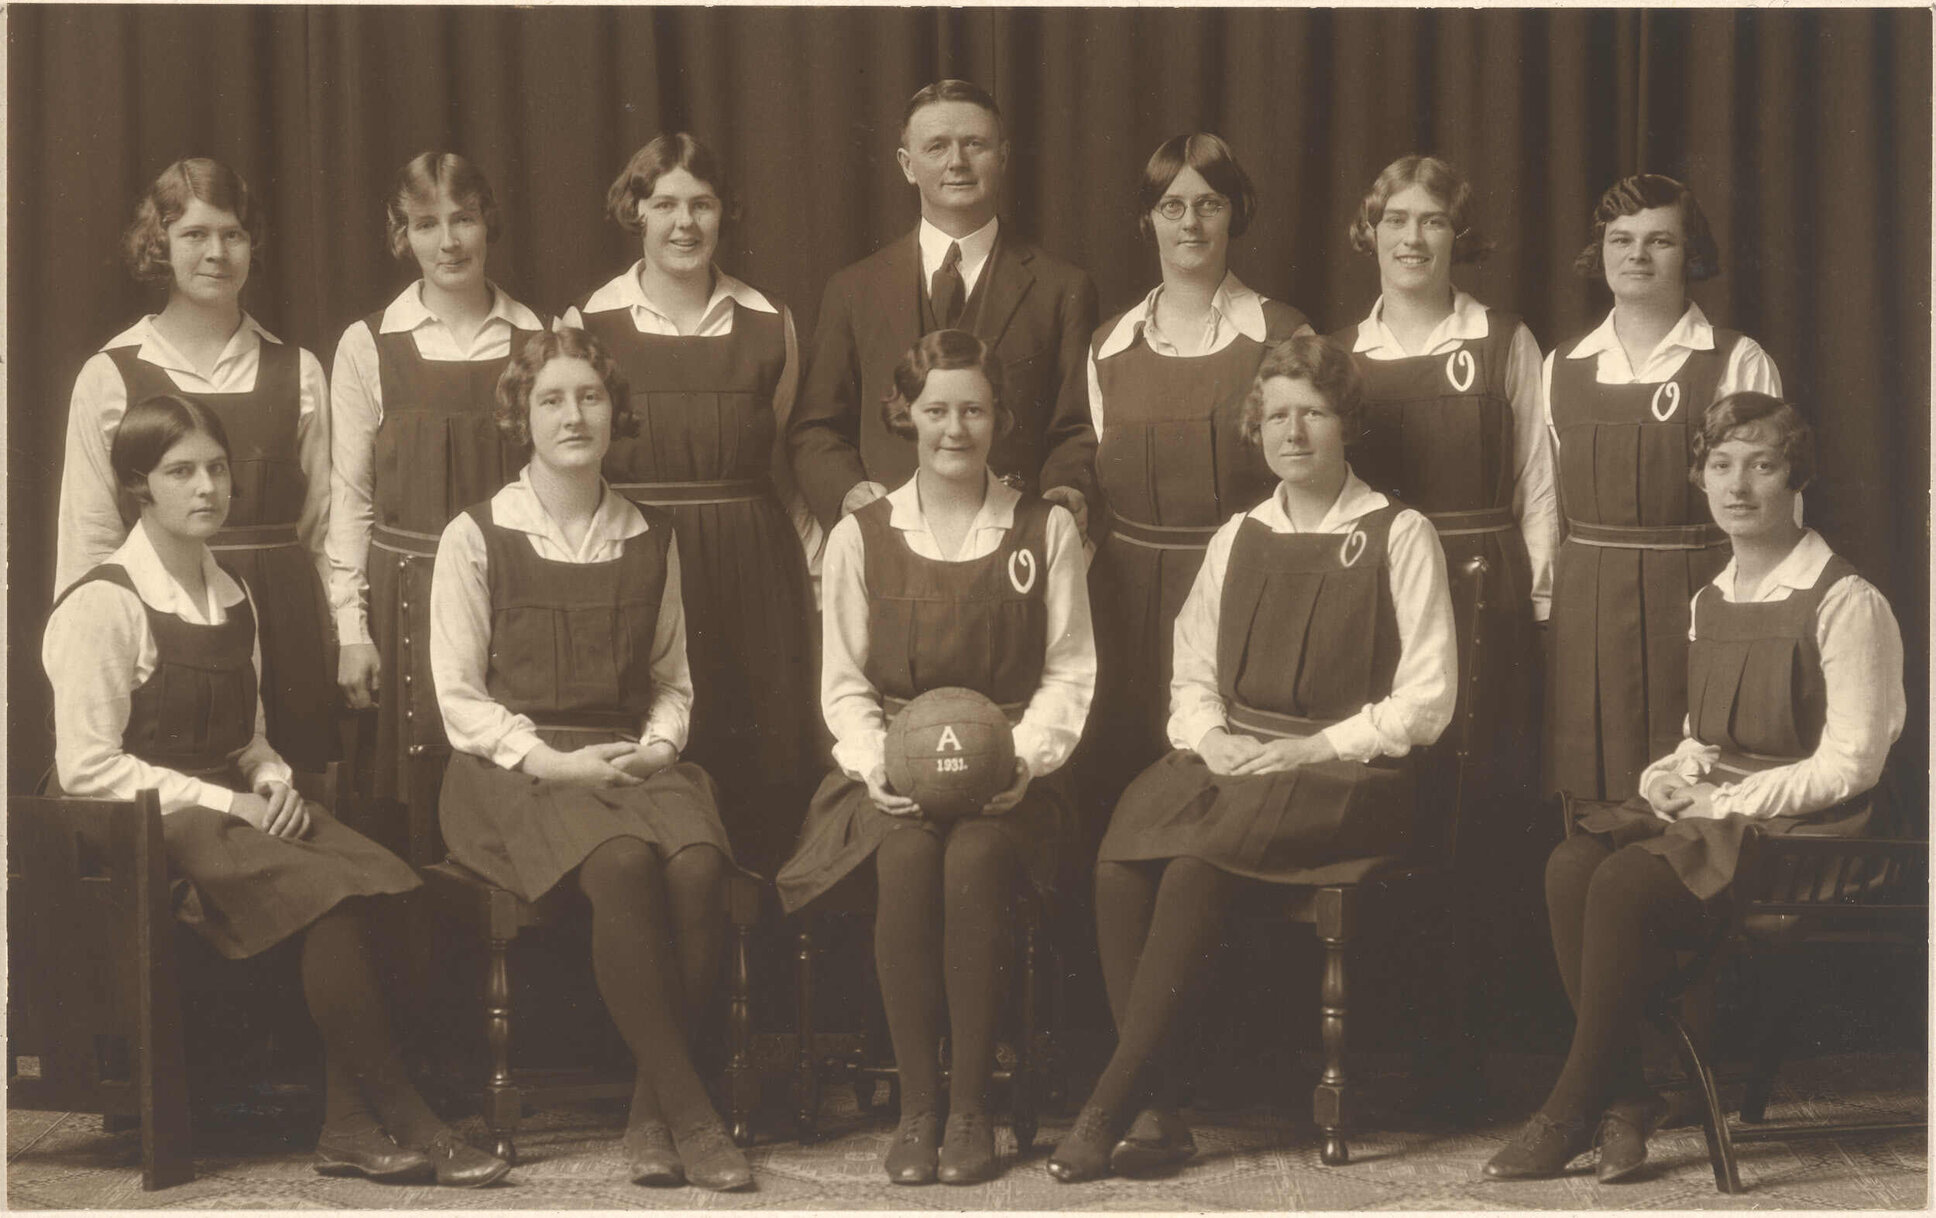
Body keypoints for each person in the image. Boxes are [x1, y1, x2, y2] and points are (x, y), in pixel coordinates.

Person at [43, 395, 509, 1188]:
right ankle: (407, 1119)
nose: (207, 487)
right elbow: (88, 768)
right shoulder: (104, 602)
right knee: (330, 895)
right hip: (138, 831)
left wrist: (272, 779)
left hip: (229, 810)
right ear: (138, 486)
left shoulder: (232, 594)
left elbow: (247, 739)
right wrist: (234, 804)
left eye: (217, 468)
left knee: (389, 879)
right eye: (180, 472)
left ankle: (348, 1126)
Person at [1051, 335, 1455, 1183]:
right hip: (1240, 760)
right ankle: (1159, 1113)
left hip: (1348, 774)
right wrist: (1212, 738)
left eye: (1313, 413)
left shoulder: (1399, 532)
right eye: (1276, 417)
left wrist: (1315, 747)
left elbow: (1427, 699)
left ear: (1347, 423)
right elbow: (1192, 671)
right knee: (1121, 857)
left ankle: (1111, 1105)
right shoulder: (1238, 536)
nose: (1293, 433)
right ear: (1257, 429)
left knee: (1197, 865)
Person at [1484, 391, 1903, 1183]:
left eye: (1763, 465)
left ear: (1796, 479)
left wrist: (1724, 802)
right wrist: (1671, 777)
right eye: (1721, 465)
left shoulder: (1847, 600)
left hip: (1816, 839)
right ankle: (1627, 1099)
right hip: (1729, 821)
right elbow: (1702, 738)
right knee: (1571, 862)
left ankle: (1573, 1109)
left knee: (1621, 881)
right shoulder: (1712, 597)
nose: (1738, 485)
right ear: (1701, 477)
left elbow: (1854, 763)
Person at [429, 328, 752, 1191]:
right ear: (521, 418)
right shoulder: (476, 534)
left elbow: (672, 681)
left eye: (590, 397)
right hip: (515, 769)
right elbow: (459, 698)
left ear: (615, 412)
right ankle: (694, 1118)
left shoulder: (651, 533)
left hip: (627, 758)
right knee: (621, 862)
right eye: (551, 400)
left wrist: (658, 749)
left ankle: (652, 1112)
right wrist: (551, 762)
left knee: (698, 864)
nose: (573, 416)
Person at [776, 330, 1095, 1187]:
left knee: (977, 858)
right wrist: (874, 763)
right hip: (895, 776)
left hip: (1012, 782)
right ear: (904, 415)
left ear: (1000, 417)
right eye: (937, 410)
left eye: (974, 410)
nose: (956, 429)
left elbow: (1069, 670)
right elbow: (844, 681)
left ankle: (970, 1109)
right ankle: (919, 1107)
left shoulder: (1044, 528)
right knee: (910, 857)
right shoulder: (862, 534)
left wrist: (1024, 758)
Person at [561, 134, 817, 875]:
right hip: (639, 566)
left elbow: (783, 457)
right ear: (635, 211)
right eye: (665, 204)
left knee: (762, 767)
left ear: (723, 213)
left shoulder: (770, 320)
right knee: (654, 764)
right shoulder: (588, 323)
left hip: (753, 571)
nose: (684, 223)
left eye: (701, 205)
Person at [56, 157, 335, 769]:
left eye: (233, 234)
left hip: (286, 624)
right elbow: (89, 541)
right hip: (168, 631)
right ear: (160, 244)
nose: (216, 253)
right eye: (195, 234)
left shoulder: (299, 371)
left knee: (297, 792)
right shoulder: (109, 374)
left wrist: (342, 633)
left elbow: (323, 528)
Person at [1085, 132, 1315, 789]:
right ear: (1148, 218)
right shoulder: (1108, 346)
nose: (1190, 222)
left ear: (1235, 213)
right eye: (1172, 206)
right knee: (1123, 778)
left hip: (1247, 589)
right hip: (1125, 605)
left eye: (1209, 204)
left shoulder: (1283, 335)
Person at [327, 151, 546, 840]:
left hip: (509, 596)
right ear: (404, 235)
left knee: (506, 790)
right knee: (409, 811)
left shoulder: (536, 339)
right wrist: (352, 631)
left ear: (488, 223)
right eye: (427, 224)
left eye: (463, 219)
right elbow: (350, 498)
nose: (448, 241)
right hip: (404, 603)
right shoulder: (367, 344)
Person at [1544, 174, 1782, 802]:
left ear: (1690, 253)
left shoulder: (1736, 359)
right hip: (1589, 600)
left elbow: (1772, 505)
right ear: (1600, 252)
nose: (1637, 255)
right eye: (1621, 239)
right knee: (1592, 784)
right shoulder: (1561, 365)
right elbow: (1545, 501)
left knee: (1693, 772)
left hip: (1700, 591)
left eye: (1660, 240)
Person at [789, 79, 1099, 542]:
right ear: (906, 165)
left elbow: (1079, 426)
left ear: (1003, 157)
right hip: (890, 545)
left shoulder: (1063, 288)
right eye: (937, 146)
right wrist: (847, 492)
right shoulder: (852, 290)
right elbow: (816, 429)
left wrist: (1068, 486)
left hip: (1014, 542)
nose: (957, 161)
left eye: (975, 144)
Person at [1334, 154, 1553, 795]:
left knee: (1483, 771)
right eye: (1395, 220)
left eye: (1432, 221)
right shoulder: (1338, 353)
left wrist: (1541, 604)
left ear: (1457, 235)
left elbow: (1537, 482)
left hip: (1485, 580)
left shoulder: (1504, 339)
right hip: (1378, 580)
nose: (1412, 238)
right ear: (1370, 232)